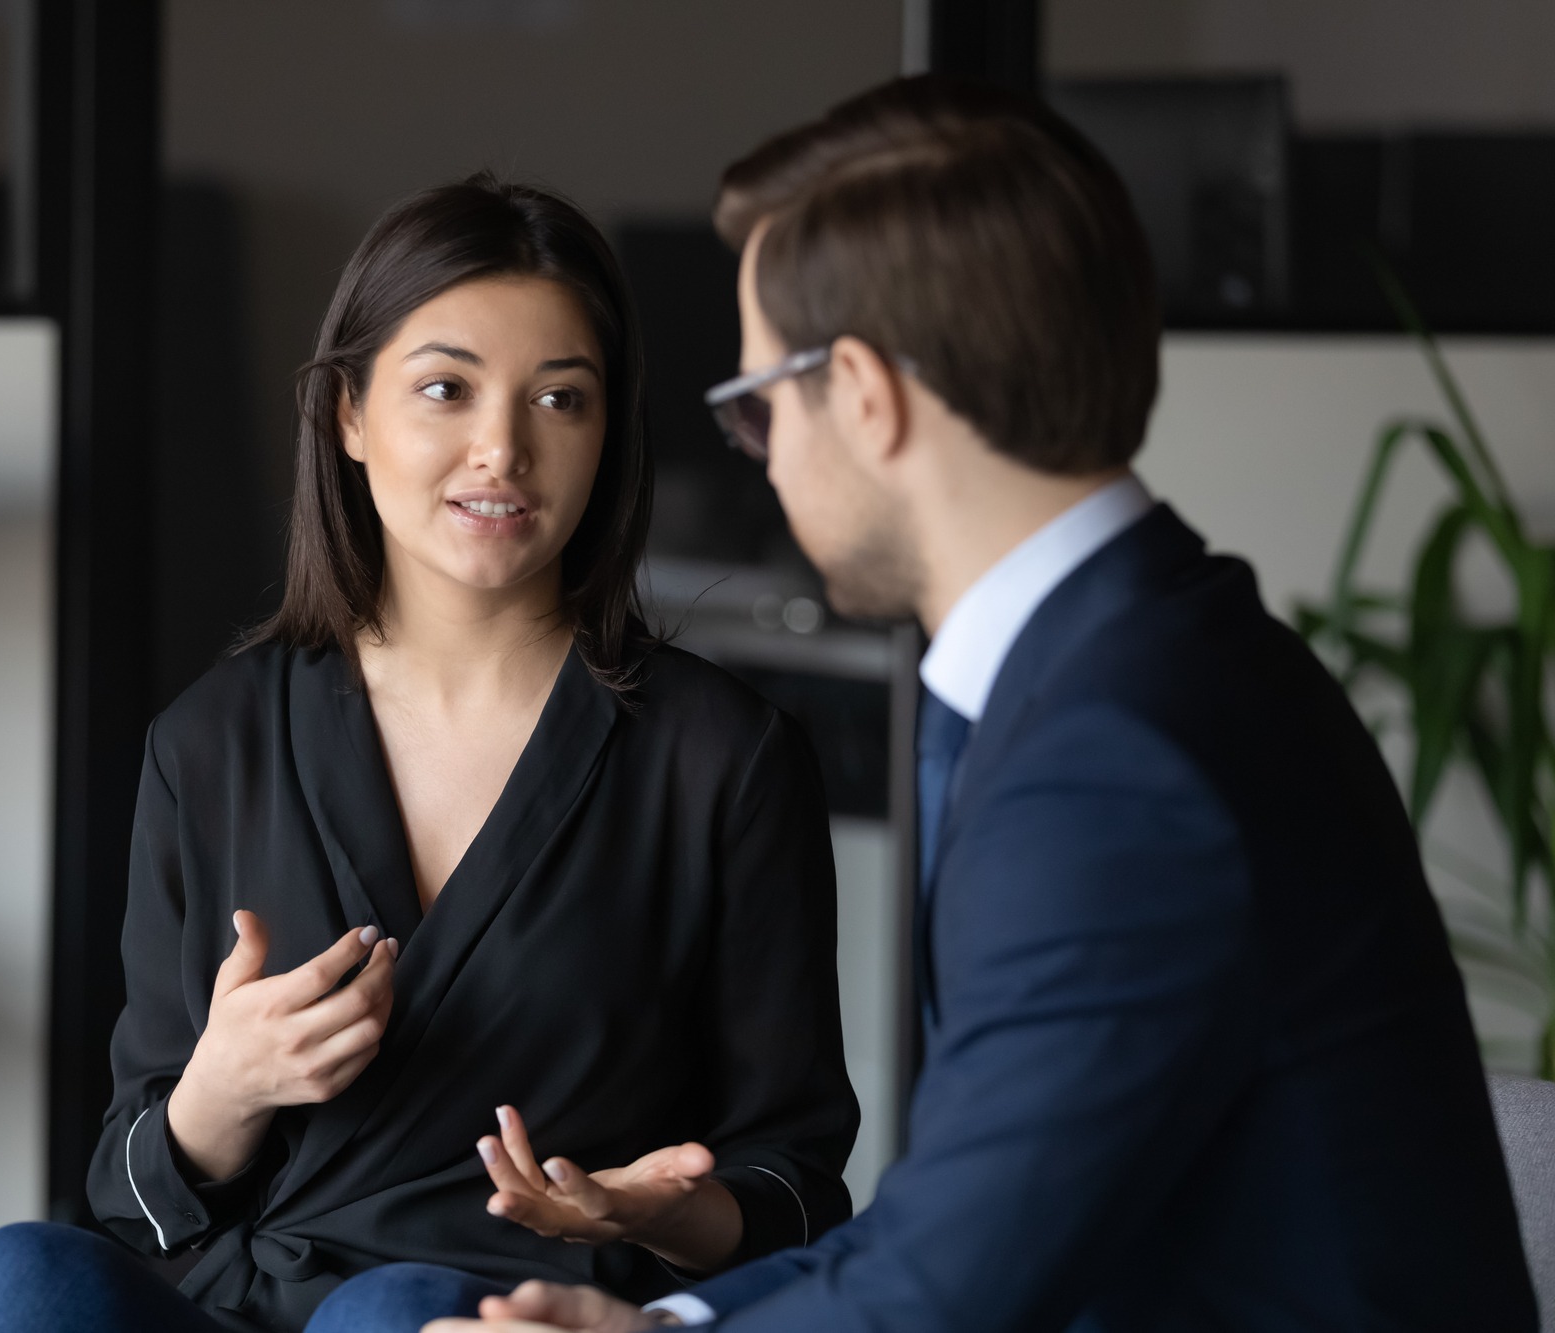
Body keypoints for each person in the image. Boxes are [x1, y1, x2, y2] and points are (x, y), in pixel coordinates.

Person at [422, 76, 1540, 1333]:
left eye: (759, 409)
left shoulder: (1112, 753)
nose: (765, 460)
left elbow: (949, 1292)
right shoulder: (1146, 657)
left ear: (863, 396)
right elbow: (950, 1218)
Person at [0, 174, 858, 1333]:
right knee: (20, 1273)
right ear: (348, 416)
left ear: (607, 435)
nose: (501, 447)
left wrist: (657, 1211)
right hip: (244, 1304)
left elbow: (796, 1192)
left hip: (507, 1314)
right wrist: (223, 1089)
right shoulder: (210, 742)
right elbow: (131, 1199)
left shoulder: (722, 758)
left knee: (391, 1309)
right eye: (445, 389)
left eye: (559, 398)